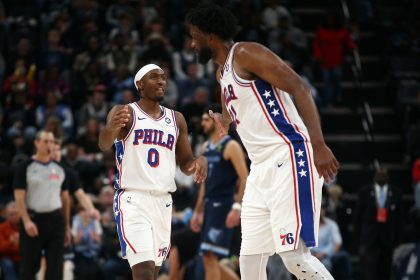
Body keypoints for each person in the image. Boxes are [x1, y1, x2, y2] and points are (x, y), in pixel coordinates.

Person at [186, 3, 339, 280]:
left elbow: (299, 86)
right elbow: (233, 114)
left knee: (295, 258)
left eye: (194, 36)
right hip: (259, 167)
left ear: (210, 36)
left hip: (289, 154)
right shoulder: (222, 74)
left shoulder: (246, 53)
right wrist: (225, 122)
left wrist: (318, 144)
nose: (191, 43)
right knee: (249, 262)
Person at [98, 63, 208, 280]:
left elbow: (185, 163)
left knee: (154, 272)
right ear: (139, 84)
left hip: (163, 203)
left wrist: (199, 161)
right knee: (144, 271)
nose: (161, 81)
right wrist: (110, 129)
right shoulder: (125, 112)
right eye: (154, 77)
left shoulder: (176, 119)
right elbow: (103, 144)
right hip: (133, 200)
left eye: (163, 78)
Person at [190, 104, 248, 280]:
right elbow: (204, 183)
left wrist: (237, 207)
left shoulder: (231, 146)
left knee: (210, 255)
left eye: (207, 120)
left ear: (217, 120)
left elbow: (245, 178)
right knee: (208, 257)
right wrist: (197, 210)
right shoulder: (205, 147)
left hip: (224, 205)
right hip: (209, 206)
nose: (203, 123)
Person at [13, 130, 71, 280]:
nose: (49, 145)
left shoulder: (60, 168)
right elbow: (19, 198)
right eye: (45, 141)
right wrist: (26, 221)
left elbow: (65, 200)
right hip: (33, 220)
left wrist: (67, 227)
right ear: (36, 143)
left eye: (51, 141)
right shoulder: (25, 167)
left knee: (55, 267)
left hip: (55, 220)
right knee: (29, 268)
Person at [354, 168, 403, 280]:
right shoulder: (365, 191)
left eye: (384, 173)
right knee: (370, 270)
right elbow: (358, 217)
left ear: (388, 175)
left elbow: (400, 219)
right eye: (379, 173)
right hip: (370, 237)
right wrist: (359, 238)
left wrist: (398, 240)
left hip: (389, 238)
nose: (381, 175)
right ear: (374, 175)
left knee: (386, 269)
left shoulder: (396, 192)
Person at [0, 202, 21, 280]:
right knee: (8, 264)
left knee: (29, 264)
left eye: (15, 213)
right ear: (6, 215)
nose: (13, 216)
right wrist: (10, 243)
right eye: (11, 214)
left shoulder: (26, 228)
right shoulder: (2, 228)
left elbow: (30, 248)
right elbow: (1, 249)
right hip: (7, 258)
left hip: (22, 258)